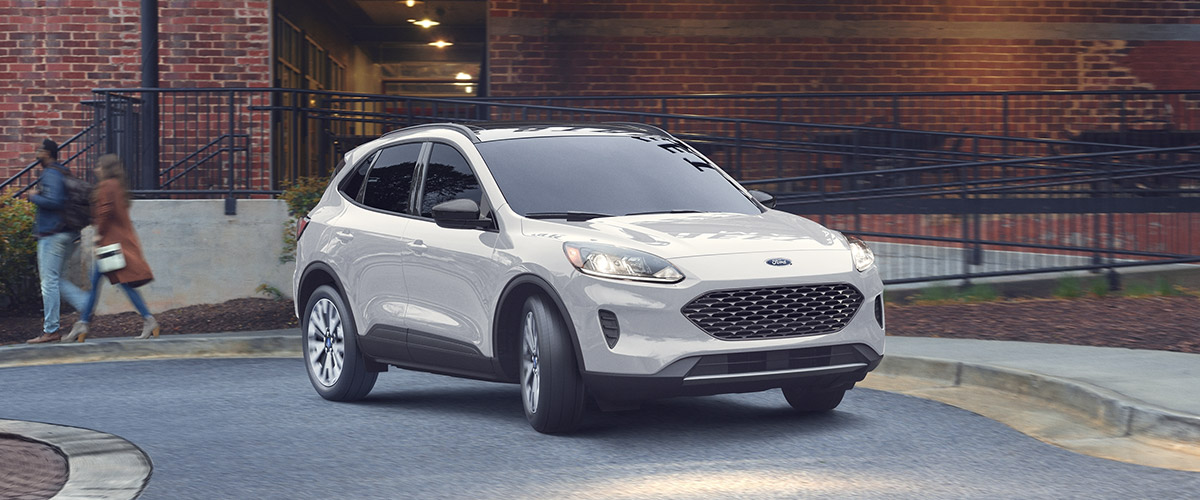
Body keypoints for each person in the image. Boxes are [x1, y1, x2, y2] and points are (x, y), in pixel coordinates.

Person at [61, 154, 159, 342]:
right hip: (115, 244)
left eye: (99, 166)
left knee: (107, 284)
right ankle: (83, 324)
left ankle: (83, 325)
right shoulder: (118, 186)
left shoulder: (107, 186)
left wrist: (98, 233)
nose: (96, 169)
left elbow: (105, 212)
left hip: (109, 244)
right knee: (108, 283)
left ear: (107, 168)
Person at [27, 139, 90, 344]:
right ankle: (86, 304)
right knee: (57, 280)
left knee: (49, 282)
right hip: (67, 233)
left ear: (47, 153)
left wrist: (34, 196)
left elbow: (54, 201)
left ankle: (51, 330)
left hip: (53, 234)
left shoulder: (51, 174)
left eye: (39, 150)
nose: (36, 153)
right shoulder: (62, 172)